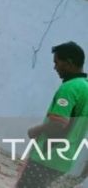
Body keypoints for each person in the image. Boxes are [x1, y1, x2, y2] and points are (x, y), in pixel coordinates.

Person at [16, 42, 88, 188]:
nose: (55, 68)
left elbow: (59, 123)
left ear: (69, 63)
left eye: (57, 63)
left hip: (47, 155)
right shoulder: (85, 87)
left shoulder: (70, 88)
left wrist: (37, 130)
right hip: (65, 159)